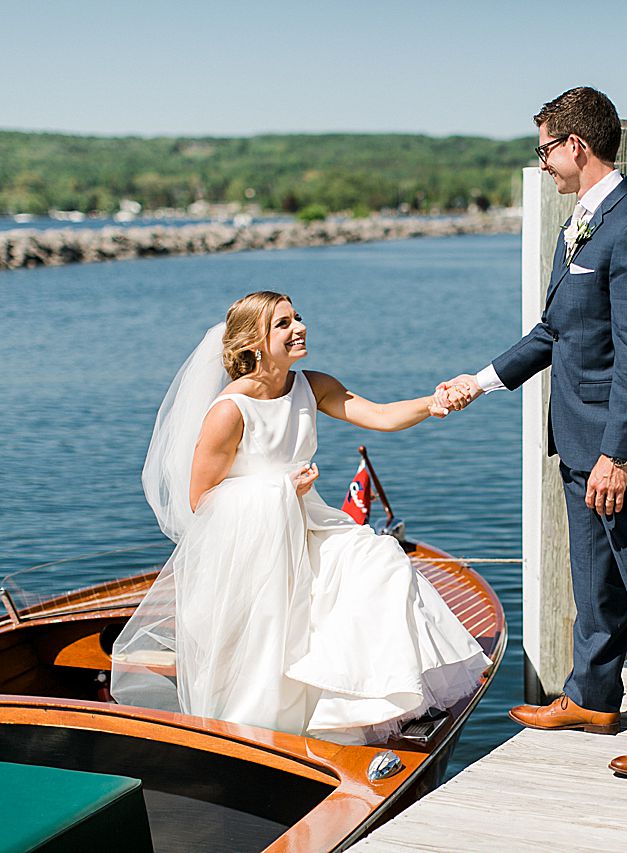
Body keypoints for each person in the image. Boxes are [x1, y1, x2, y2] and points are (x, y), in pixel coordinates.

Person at [441, 87, 627, 778]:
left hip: (618, 443)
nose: (543, 168)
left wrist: (618, 455)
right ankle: (593, 696)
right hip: (577, 433)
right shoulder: (585, 223)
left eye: (544, 152)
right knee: (592, 577)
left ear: (576, 146)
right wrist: (479, 381)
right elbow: (555, 332)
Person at [111, 290, 488, 745]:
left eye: (298, 318)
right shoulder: (230, 411)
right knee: (274, 645)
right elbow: (201, 499)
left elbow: (381, 415)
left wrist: (433, 402)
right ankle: (265, 734)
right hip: (253, 541)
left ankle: (356, 708)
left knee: (380, 560)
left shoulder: (313, 385)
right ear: (254, 342)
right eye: (283, 324)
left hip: (310, 523)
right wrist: (279, 490)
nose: (299, 328)